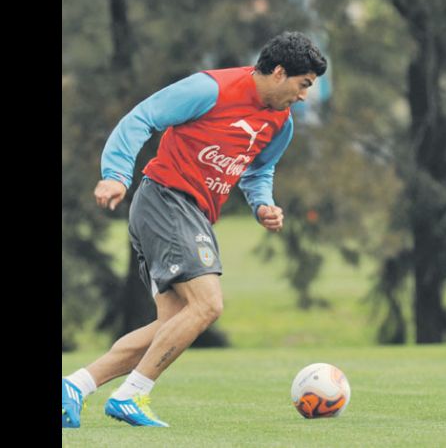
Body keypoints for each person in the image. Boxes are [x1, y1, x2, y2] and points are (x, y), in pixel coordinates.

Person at [62, 31, 327, 428]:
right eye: (303, 84)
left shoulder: (281, 121)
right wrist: (116, 174)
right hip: (166, 198)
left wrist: (262, 204)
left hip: (192, 213)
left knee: (173, 324)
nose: (304, 95)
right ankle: (131, 395)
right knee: (208, 305)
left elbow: (259, 169)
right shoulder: (212, 88)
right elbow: (141, 118)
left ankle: (75, 386)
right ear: (278, 72)